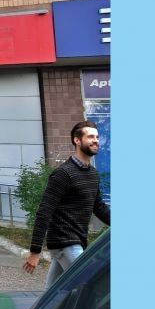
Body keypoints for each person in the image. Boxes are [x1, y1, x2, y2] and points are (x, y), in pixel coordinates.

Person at [24, 120, 110, 288]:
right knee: (90, 285)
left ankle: (45, 306)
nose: (96, 141)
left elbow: (99, 207)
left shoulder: (93, 174)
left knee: (54, 293)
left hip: (76, 240)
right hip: (64, 240)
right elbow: (44, 211)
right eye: (90, 137)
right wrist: (35, 251)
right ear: (77, 140)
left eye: (97, 137)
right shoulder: (63, 173)